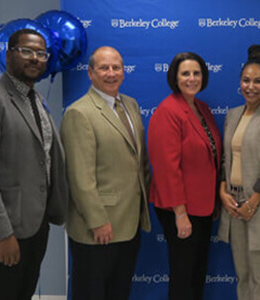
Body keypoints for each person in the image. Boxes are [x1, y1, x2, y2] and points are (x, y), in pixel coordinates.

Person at [0, 28, 68, 300]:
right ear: (8, 55)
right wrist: (2, 235)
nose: (35, 58)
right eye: (26, 51)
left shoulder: (35, 100)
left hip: (34, 223)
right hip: (4, 229)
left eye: (41, 53)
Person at [60, 46, 151, 300]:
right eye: (103, 68)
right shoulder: (79, 113)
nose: (111, 73)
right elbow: (80, 177)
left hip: (129, 221)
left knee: (118, 292)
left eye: (116, 67)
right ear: (90, 73)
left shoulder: (130, 105)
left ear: (123, 71)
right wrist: (98, 220)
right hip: (98, 227)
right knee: (91, 293)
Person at [147, 52, 222, 300]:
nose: (192, 78)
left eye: (196, 73)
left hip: (202, 208)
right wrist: (180, 214)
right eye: (185, 73)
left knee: (196, 273)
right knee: (183, 277)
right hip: (179, 209)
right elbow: (167, 168)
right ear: (175, 78)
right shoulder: (168, 111)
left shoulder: (201, 108)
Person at [217, 45, 260, 300]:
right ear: (239, 82)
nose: (251, 86)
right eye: (246, 80)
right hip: (234, 206)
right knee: (243, 277)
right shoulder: (232, 115)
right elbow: (226, 159)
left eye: (258, 81)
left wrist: (252, 204)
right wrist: (223, 191)